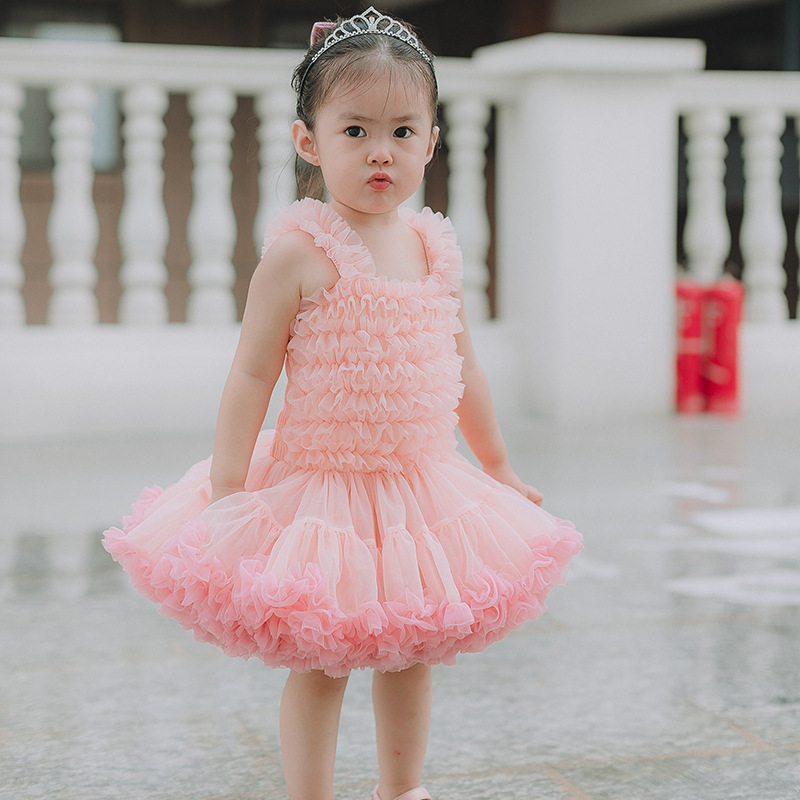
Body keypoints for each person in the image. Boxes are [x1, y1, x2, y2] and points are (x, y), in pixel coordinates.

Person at [103, 7, 582, 800]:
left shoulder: (433, 248)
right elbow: (251, 375)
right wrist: (229, 486)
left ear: (431, 142)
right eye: (354, 131)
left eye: (401, 131)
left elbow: (460, 363)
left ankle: (401, 788)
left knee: (411, 654)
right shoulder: (301, 252)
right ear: (309, 143)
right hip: (320, 489)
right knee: (324, 661)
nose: (380, 152)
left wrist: (496, 464)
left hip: (420, 492)